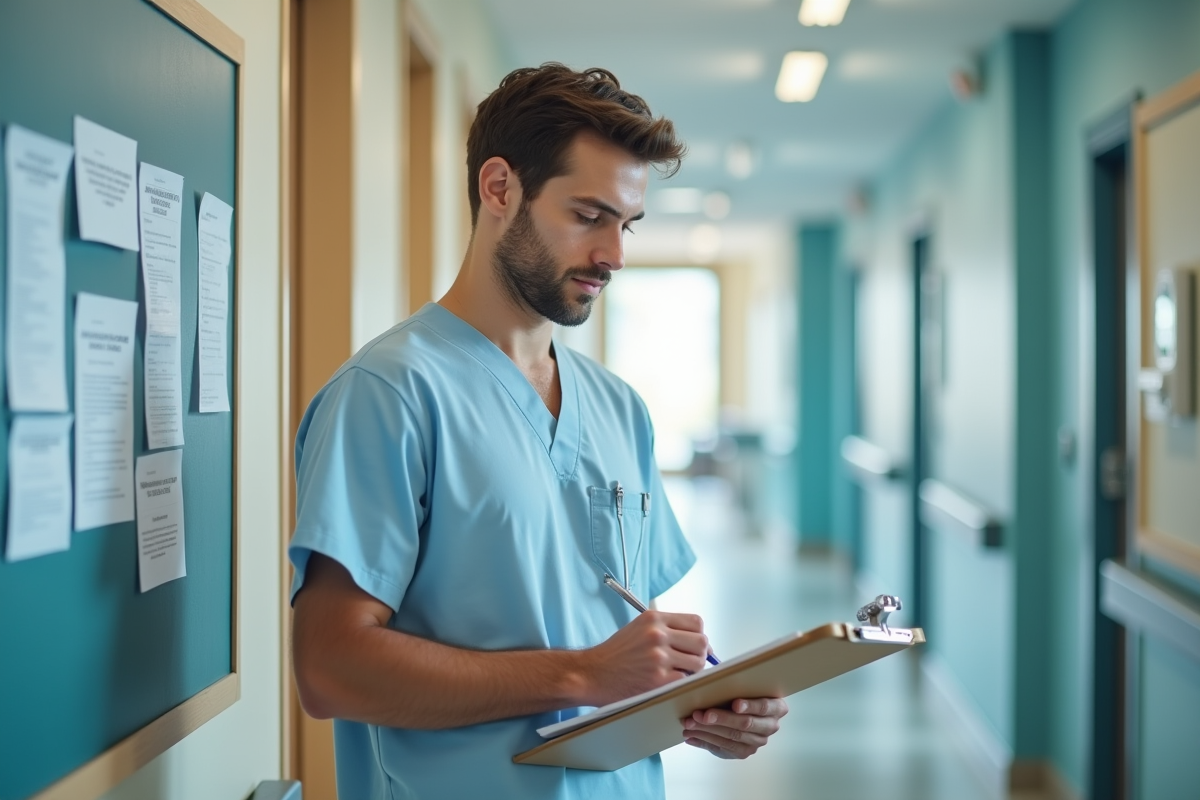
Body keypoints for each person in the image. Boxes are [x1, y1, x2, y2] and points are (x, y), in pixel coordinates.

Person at [289, 63, 789, 800]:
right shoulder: (389, 395)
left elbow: (618, 646)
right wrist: (583, 674)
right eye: (589, 216)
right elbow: (330, 668)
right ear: (500, 190)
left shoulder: (620, 409)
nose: (614, 255)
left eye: (626, 224)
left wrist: (706, 702)